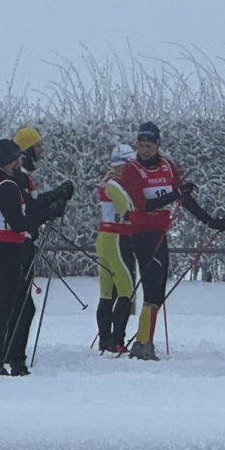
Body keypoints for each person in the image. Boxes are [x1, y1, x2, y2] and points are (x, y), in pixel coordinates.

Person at [120, 121, 225, 361]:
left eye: (148, 145)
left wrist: (209, 221)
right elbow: (142, 204)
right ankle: (143, 343)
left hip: (160, 231)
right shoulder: (132, 169)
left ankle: (143, 341)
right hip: (141, 233)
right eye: (140, 145)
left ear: (157, 145)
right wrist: (174, 195)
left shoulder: (168, 166)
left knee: (158, 289)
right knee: (151, 287)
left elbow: (183, 198)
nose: (144, 150)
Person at [0, 140, 65, 376]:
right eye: (17, 158)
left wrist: (53, 199)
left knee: (19, 307)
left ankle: (11, 359)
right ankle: (0, 361)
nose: (21, 161)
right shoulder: (6, 186)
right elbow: (18, 222)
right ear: (11, 160)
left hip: (3, 249)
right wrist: (48, 213)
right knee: (9, 308)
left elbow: (29, 206)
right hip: (7, 250)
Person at [94, 144, 138, 354]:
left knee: (106, 292)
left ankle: (105, 340)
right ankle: (116, 340)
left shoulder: (106, 181)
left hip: (104, 237)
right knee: (126, 290)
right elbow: (128, 210)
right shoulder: (116, 184)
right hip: (117, 238)